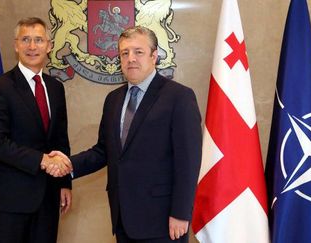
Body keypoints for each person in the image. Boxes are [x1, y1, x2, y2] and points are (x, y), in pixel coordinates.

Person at [47, 26, 202, 243]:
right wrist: (68, 165)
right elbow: (103, 151)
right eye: (124, 53)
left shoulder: (179, 97)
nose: (131, 59)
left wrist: (181, 213)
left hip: (164, 221)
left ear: (154, 56)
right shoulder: (114, 99)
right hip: (122, 219)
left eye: (138, 52)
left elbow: (188, 161)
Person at [0, 17, 72, 243]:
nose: (32, 47)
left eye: (39, 40)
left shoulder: (55, 88)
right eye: (26, 40)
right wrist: (42, 160)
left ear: (49, 46)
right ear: (16, 45)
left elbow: (60, 138)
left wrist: (64, 183)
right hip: (9, 200)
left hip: (48, 198)